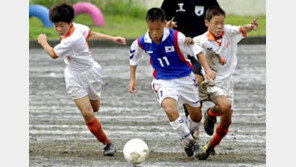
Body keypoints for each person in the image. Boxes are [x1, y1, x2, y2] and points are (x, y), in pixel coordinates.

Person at [37, 3, 126, 156]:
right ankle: (107, 143)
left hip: (91, 72)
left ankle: (95, 125)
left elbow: (53, 54)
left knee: (95, 108)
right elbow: (90, 33)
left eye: (61, 26)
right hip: (73, 76)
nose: (59, 29)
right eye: (56, 26)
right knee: (87, 112)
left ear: (70, 22)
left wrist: (43, 41)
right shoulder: (76, 27)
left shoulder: (73, 38)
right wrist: (112, 38)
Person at [128, 7, 216, 158]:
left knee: (196, 117)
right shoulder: (142, 41)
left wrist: (207, 69)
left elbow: (198, 52)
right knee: (170, 110)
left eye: (158, 29)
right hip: (163, 80)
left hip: (185, 78)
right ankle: (190, 142)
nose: (154, 33)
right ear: (147, 25)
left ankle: (188, 134)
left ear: (164, 24)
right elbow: (133, 57)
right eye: (151, 29)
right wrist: (132, 78)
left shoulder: (177, 37)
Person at [191, 6, 258, 160]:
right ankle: (207, 116)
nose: (220, 27)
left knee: (227, 123)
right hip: (211, 82)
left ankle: (209, 147)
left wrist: (251, 27)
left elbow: (241, 28)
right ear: (207, 23)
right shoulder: (201, 40)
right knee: (224, 106)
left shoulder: (228, 32)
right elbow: (188, 47)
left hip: (228, 82)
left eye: (222, 23)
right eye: (216, 23)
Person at [161, 0, 220, 120]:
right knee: (187, 83)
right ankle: (193, 119)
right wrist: (167, 27)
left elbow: (217, 19)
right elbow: (162, 20)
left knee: (197, 80)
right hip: (180, 48)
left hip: (200, 48)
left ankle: (199, 116)